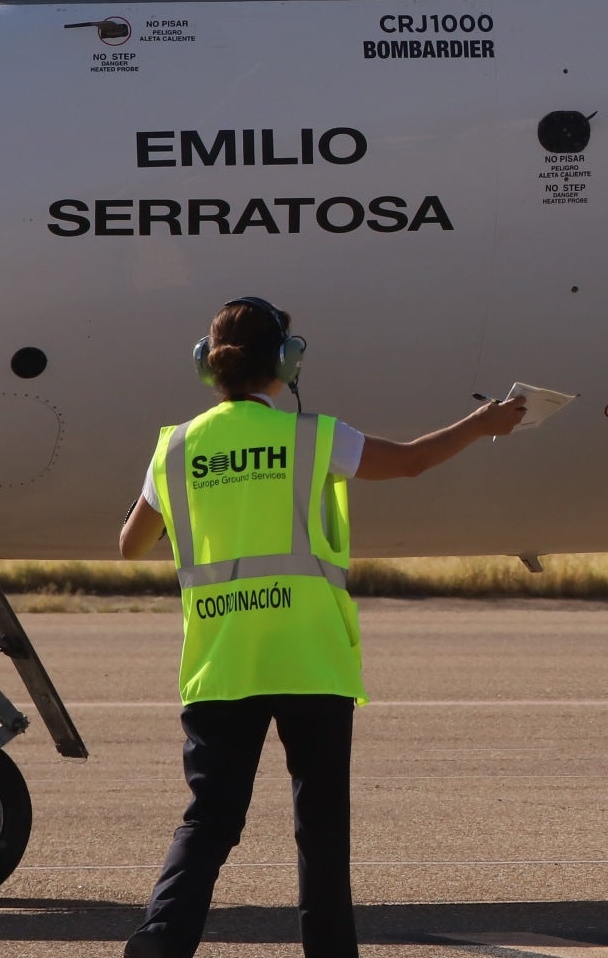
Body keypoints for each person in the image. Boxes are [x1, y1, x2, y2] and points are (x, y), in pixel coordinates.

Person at [117, 296, 524, 958]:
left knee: (211, 820)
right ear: (285, 362)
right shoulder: (313, 437)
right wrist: (483, 424)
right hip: (309, 657)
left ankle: (160, 943)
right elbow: (413, 461)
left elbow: (131, 547)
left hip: (223, 660)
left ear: (207, 365)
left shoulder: (175, 446)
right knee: (321, 825)